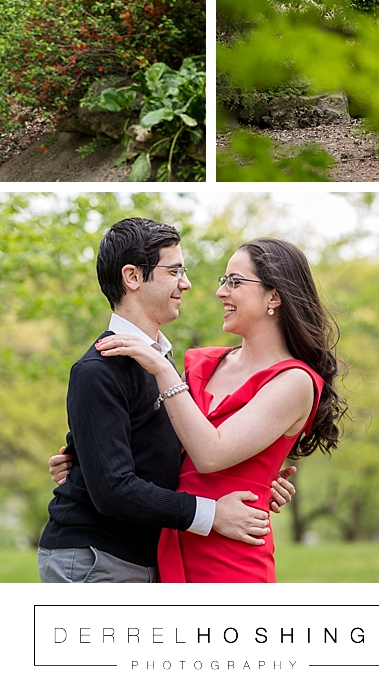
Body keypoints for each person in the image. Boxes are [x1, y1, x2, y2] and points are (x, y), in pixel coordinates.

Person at [37, 218, 283, 583]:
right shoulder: (96, 370)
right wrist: (211, 513)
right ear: (133, 277)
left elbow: (159, 450)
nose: (185, 283)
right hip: (95, 556)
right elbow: (113, 490)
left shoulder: (159, 364)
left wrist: (256, 476)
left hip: (138, 556)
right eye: (174, 271)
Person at [95, 238, 345, 582]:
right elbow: (160, 441)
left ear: (274, 296)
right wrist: (89, 462)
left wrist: (162, 369)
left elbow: (211, 454)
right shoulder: (201, 363)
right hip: (169, 541)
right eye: (223, 281)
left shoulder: (295, 381)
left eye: (235, 282)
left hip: (230, 555)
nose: (221, 292)